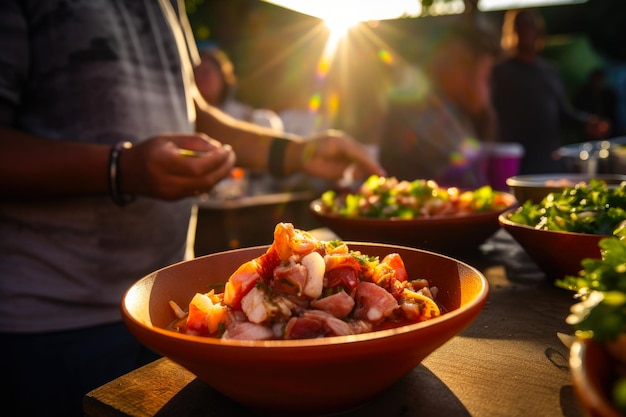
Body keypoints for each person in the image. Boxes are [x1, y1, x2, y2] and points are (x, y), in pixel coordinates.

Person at [0, 1, 386, 416]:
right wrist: (120, 169)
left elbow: (192, 111)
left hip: (170, 313)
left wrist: (294, 153)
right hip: (53, 325)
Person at [379, 21, 501, 188]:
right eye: (485, 76)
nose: (489, 88)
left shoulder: (454, 112)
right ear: (461, 64)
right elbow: (462, 185)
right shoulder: (424, 114)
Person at [490, 8, 610, 175]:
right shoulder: (500, 72)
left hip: (549, 162)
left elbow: (563, 113)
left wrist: (587, 122)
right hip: (516, 165)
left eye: (531, 26)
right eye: (522, 26)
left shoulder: (549, 71)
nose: (527, 31)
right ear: (513, 32)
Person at [575, 67, 619, 139]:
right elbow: (578, 111)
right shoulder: (583, 94)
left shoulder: (609, 94)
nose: (597, 83)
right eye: (596, 80)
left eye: (600, 80)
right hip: (587, 129)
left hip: (606, 130)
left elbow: (613, 115)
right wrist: (590, 119)